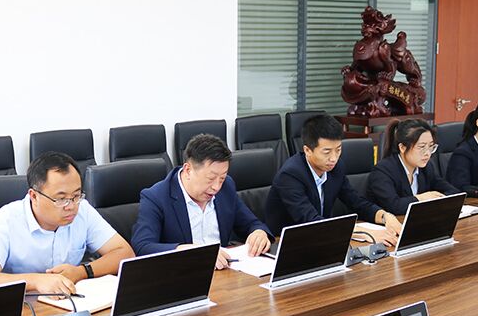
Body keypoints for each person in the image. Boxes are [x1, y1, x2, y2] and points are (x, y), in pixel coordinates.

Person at [0, 151, 134, 295]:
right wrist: (36, 281)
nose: (71, 206)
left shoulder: (83, 210)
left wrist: (82, 272)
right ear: (34, 196)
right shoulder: (6, 220)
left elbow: (124, 253)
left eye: (76, 195)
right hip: (24, 309)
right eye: (61, 199)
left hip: (69, 305)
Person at [130, 134, 273, 269]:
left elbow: (251, 223)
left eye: (222, 178)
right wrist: (190, 252)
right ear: (188, 170)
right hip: (186, 274)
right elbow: (142, 246)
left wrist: (259, 233)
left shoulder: (226, 187)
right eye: (210, 179)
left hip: (225, 271)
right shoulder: (156, 197)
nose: (216, 187)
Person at [265, 114, 402, 246]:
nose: (334, 158)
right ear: (307, 150)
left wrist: (385, 216)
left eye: (338, 150)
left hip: (322, 240)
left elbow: (356, 202)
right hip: (285, 244)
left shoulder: (336, 168)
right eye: (327, 152)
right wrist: (364, 233)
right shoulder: (290, 175)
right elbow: (311, 221)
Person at [367, 119, 459, 215]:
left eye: (431, 146)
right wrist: (421, 198)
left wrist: (437, 199)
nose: (427, 153)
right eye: (422, 147)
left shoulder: (426, 167)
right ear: (402, 147)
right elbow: (394, 206)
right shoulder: (382, 171)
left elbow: (453, 192)